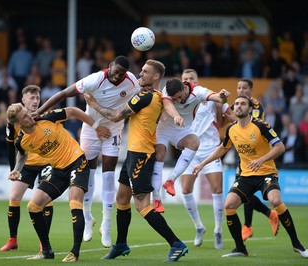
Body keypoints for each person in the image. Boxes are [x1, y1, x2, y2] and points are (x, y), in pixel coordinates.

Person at [84, 59, 188, 262]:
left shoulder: (146, 97)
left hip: (141, 155)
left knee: (142, 206)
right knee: (122, 199)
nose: (140, 74)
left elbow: (115, 116)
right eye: (141, 71)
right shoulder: (154, 96)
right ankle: (121, 244)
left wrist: (94, 104)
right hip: (132, 153)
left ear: (156, 77)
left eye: (145, 72)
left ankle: (176, 243)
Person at [33, 55, 140, 248]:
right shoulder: (95, 79)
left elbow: (145, 95)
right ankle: (88, 218)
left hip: (114, 130)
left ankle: (106, 225)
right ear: (109, 67)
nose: (118, 76)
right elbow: (64, 94)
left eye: (122, 73)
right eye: (116, 72)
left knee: (108, 175)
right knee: (87, 173)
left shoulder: (132, 81)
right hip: (91, 128)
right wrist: (39, 111)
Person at [192, 95, 308, 259]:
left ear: (250, 109)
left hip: (266, 172)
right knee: (229, 205)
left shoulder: (261, 125)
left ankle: (298, 245)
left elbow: (280, 147)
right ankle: (240, 248)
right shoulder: (232, 129)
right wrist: (202, 164)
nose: (238, 106)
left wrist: (261, 160)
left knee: (275, 200)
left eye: (243, 104)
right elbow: (222, 148)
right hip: (246, 176)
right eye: (237, 104)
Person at [5, 103, 110, 262]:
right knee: (33, 206)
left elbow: (73, 111)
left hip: (77, 162)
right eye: (25, 116)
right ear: (18, 124)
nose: (30, 115)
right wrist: (17, 169)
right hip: (58, 170)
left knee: (74, 202)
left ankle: (75, 252)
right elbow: (22, 154)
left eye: (28, 112)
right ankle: (46, 250)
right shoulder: (22, 141)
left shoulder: (47, 118)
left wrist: (96, 126)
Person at [177, 69, 232, 249]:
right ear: (181, 81)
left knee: (217, 190)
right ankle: (199, 227)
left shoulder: (207, 95)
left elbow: (227, 110)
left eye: (192, 78)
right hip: (190, 150)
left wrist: (223, 100)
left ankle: (218, 229)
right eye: (185, 78)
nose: (188, 80)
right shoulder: (178, 99)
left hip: (210, 149)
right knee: (185, 190)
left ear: (197, 81)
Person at [0, 85, 56, 253]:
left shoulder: (43, 116)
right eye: (31, 98)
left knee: (45, 200)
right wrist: (14, 170)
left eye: (37, 98)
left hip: (46, 162)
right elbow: (11, 147)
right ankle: (12, 240)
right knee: (14, 196)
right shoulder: (14, 120)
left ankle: (43, 241)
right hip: (26, 163)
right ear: (23, 100)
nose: (35, 101)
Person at [156, 77, 229, 201]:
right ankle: (156, 199)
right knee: (160, 155)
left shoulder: (199, 91)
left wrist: (224, 96)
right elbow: (168, 105)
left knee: (194, 142)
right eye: (176, 99)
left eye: (180, 97)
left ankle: (170, 180)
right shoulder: (167, 90)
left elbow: (219, 98)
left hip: (181, 129)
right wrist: (176, 116)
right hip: (163, 128)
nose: (179, 101)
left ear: (185, 88)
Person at [228, 78, 279, 242]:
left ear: (251, 90)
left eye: (244, 88)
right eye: (239, 88)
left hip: (256, 155)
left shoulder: (255, 106)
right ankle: (263, 217)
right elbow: (229, 118)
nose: (241, 90)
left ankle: (249, 225)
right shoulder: (236, 104)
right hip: (243, 153)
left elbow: (249, 124)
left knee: (245, 190)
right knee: (243, 192)